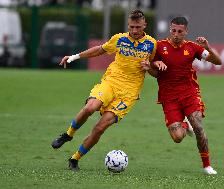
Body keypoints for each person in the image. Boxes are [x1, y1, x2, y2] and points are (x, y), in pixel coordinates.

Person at [51, 9, 158, 171]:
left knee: (100, 128)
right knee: (90, 107)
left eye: (137, 27)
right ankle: (68, 134)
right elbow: (99, 50)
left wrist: (149, 67)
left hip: (128, 94)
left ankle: (74, 159)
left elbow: (156, 73)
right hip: (110, 83)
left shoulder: (152, 44)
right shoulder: (119, 39)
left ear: (144, 25)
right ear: (128, 25)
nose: (134, 31)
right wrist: (74, 57)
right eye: (131, 27)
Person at [142, 16, 222, 175]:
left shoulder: (193, 47)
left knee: (199, 128)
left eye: (179, 31)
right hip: (169, 97)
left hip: (189, 94)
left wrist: (208, 47)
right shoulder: (159, 46)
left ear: (186, 31)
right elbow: (155, 73)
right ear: (170, 29)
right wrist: (151, 66)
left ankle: (207, 165)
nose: (176, 34)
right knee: (178, 137)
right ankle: (185, 124)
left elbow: (218, 62)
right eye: (173, 30)